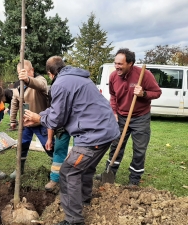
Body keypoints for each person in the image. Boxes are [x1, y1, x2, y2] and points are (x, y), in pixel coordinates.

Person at [23, 56, 120, 225]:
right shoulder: (78, 78)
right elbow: (56, 110)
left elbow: (57, 119)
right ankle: (84, 199)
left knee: (68, 172)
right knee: (87, 167)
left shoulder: (60, 84)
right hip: (106, 130)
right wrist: (42, 116)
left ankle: (74, 220)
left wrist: (39, 118)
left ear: (50, 74)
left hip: (94, 134)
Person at [96, 48, 162, 186]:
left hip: (140, 118)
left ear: (130, 63)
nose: (117, 66)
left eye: (120, 64)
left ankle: (134, 180)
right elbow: (113, 95)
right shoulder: (114, 76)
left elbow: (157, 92)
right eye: (115, 63)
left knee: (139, 150)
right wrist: (114, 112)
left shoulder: (144, 75)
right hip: (121, 117)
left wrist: (143, 93)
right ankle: (109, 173)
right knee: (116, 146)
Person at [9, 60, 54, 179]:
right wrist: (13, 120)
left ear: (32, 70)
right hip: (25, 124)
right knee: (22, 147)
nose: (21, 75)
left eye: (25, 72)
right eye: (20, 73)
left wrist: (28, 80)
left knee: (49, 146)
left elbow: (41, 85)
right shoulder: (17, 86)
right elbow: (14, 103)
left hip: (41, 122)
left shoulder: (40, 80)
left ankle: (56, 169)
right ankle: (19, 169)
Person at [44, 72, 71, 192]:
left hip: (80, 124)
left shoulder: (73, 87)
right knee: (59, 149)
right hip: (62, 126)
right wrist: (50, 139)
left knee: (81, 153)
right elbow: (51, 117)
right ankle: (55, 179)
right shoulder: (53, 92)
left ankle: (75, 179)